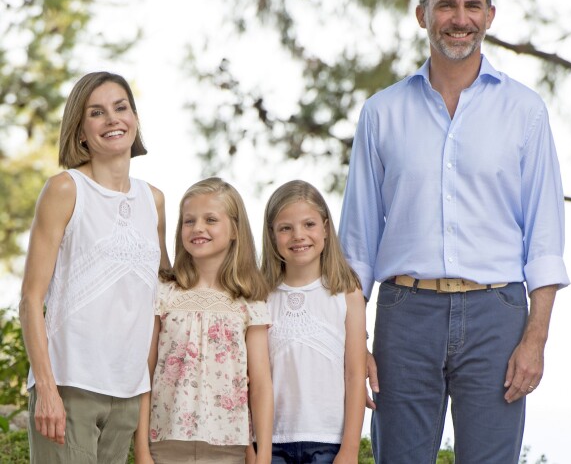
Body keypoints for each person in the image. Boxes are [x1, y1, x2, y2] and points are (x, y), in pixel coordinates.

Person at [338, 0, 570, 464]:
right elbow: (356, 245)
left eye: (471, 5)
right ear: (422, 14)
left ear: (489, 15)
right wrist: (354, 342)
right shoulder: (382, 113)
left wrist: (536, 340)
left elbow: (546, 239)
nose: (459, 18)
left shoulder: (525, 111)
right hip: (405, 314)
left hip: (498, 315)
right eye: (446, 4)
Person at [19, 71, 171, 464]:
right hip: (70, 384)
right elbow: (31, 298)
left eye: (121, 108)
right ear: (81, 131)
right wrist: (48, 390)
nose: (113, 119)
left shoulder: (153, 201)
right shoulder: (65, 189)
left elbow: (165, 291)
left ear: (135, 119)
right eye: (97, 112)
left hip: (126, 392)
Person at [134, 177, 273, 464]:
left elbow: (260, 384)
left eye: (211, 219)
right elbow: (144, 374)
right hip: (165, 444)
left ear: (235, 229)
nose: (198, 228)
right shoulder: (163, 292)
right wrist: (142, 450)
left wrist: (263, 457)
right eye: (189, 221)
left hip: (229, 448)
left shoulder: (250, 300)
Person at [261, 180, 366, 464]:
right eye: (285, 228)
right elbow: (251, 379)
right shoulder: (260, 296)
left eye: (309, 224)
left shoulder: (348, 293)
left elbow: (356, 375)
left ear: (326, 228)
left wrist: (350, 450)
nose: (299, 235)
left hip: (329, 442)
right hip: (271, 442)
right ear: (272, 235)